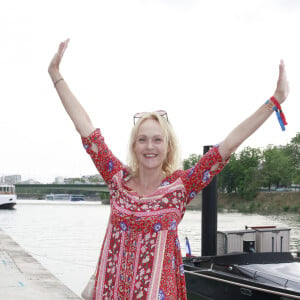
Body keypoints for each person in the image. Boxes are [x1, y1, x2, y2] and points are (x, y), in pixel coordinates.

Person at [48, 39, 289, 300]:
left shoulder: (180, 187)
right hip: (112, 292)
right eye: (142, 139)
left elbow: (227, 147)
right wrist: (56, 75)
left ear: (167, 145)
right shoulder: (118, 180)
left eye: (157, 139)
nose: (149, 146)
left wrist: (273, 102)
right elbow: (85, 128)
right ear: (134, 145)